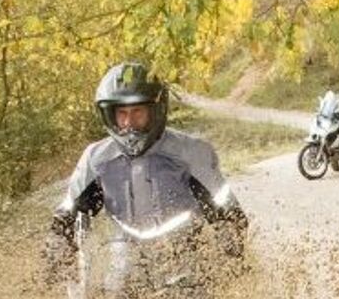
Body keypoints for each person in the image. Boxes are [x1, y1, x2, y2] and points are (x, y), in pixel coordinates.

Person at [44, 60, 248, 286]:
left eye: (137, 112)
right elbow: (67, 215)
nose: (129, 123)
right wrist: (57, 252)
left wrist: (230, 260)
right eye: (122, 113)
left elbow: (230, 215)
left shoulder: (191, 153)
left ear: (156, 110)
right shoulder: (97, 159)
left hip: (187, 272)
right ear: (109, 115)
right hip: (123, 273)